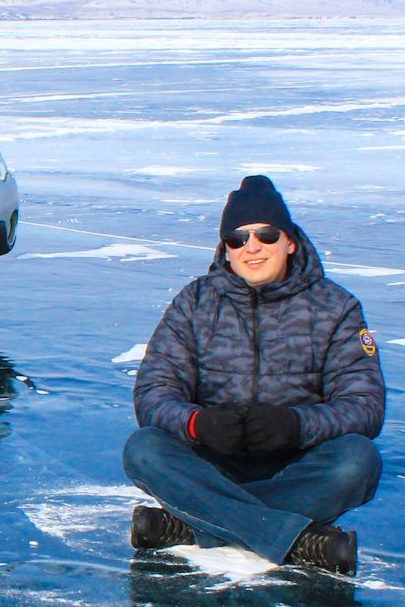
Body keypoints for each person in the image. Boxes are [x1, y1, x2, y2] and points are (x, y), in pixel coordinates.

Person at [123, 175, 385, 572]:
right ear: (226, 251)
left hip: (297, 466)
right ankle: (296, 539)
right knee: (143, 448)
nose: (252, 247)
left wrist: (295, 426)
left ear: (290, 241)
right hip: (210, 464)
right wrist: (198, 424)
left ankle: (193, 524)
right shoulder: (193, 303)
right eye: (238, 239)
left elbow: (365, 405)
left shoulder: (337, 307)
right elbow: (153, 392)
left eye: (265, 234)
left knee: (358, 461)